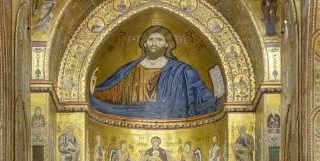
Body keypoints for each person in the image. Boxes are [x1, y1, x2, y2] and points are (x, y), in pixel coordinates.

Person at [89, 25, 221, 119]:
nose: (154, 43)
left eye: (159, 40)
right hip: (131, 116)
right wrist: (94, 90)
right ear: (144, 44)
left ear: (166, 44)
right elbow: (112, 92)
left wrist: (216, 95)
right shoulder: (129, 69)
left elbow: (200, 93)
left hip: (173, 121)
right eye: (150, 40)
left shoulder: (182, 71)